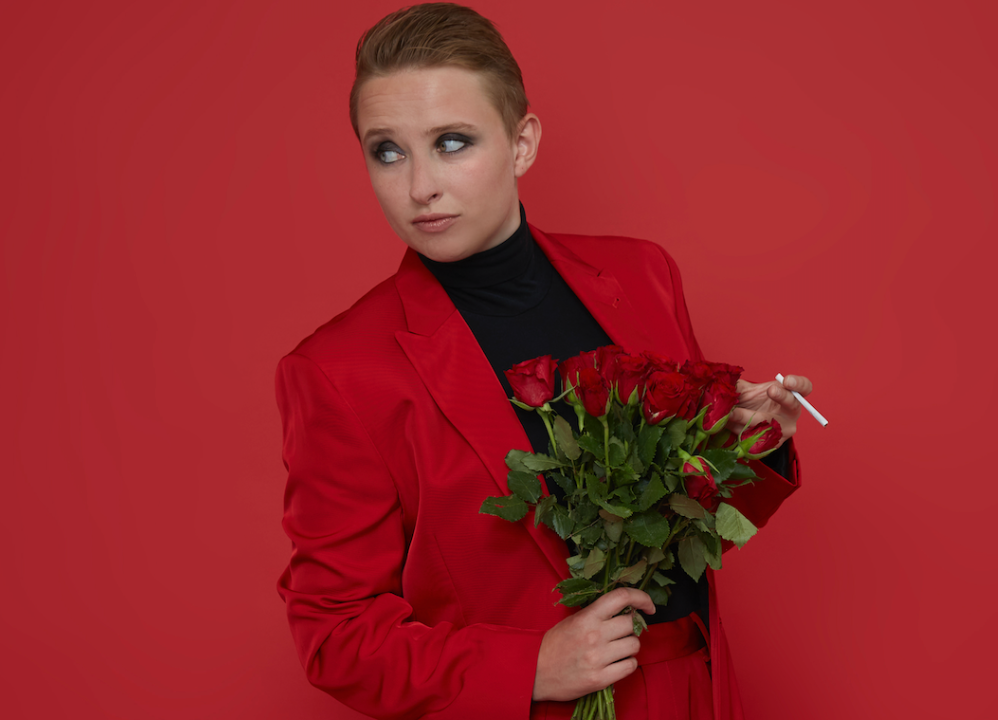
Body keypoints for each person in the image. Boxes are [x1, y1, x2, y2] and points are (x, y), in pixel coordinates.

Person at [273, 4, 814, 718]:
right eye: (388, 150)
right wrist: (530, 666)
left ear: (522, 142)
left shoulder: (642, 277)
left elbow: (682, 527)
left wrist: (754, 447)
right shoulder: (341, 370)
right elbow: (335, 635)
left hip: (693, 694)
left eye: (453, 142)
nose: (419, 187)